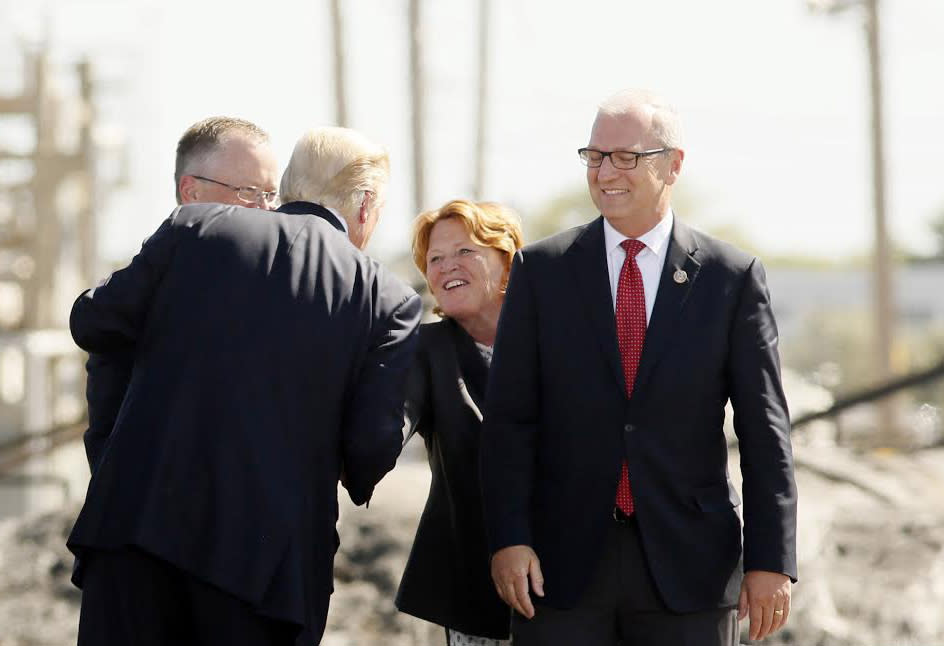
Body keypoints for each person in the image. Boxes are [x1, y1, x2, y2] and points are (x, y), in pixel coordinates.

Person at [67, 126, 422, 646]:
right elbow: (370, 446)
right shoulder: (384, 296)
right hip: (267, 570)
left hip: (137, 538)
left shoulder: (195, 228)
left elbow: (94, 325)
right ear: (366, 205)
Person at [480, 89, 798, 646]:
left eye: (625, 156)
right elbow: (509, 420)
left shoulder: (731, 278)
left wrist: (771, 559)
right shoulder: (542, 271)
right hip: (559, 568)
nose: (605, 172)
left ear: (673, 164)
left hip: (691, 567)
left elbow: (764, 429)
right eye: (595, 156)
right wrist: (508, 537)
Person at [83, 116, 280, 474]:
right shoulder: (137, 294)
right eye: (249, 192)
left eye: (270, 194)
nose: (265, 208)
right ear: (191, 192)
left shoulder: (281, 287)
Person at [395, 199, 524, 646]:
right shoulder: (424, 350)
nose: (446, 266)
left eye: (465, 251)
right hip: (478, 592)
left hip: (579, 584)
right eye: (434, 258)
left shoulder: (554, 340)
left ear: (506, 262)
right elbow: (390, 425)